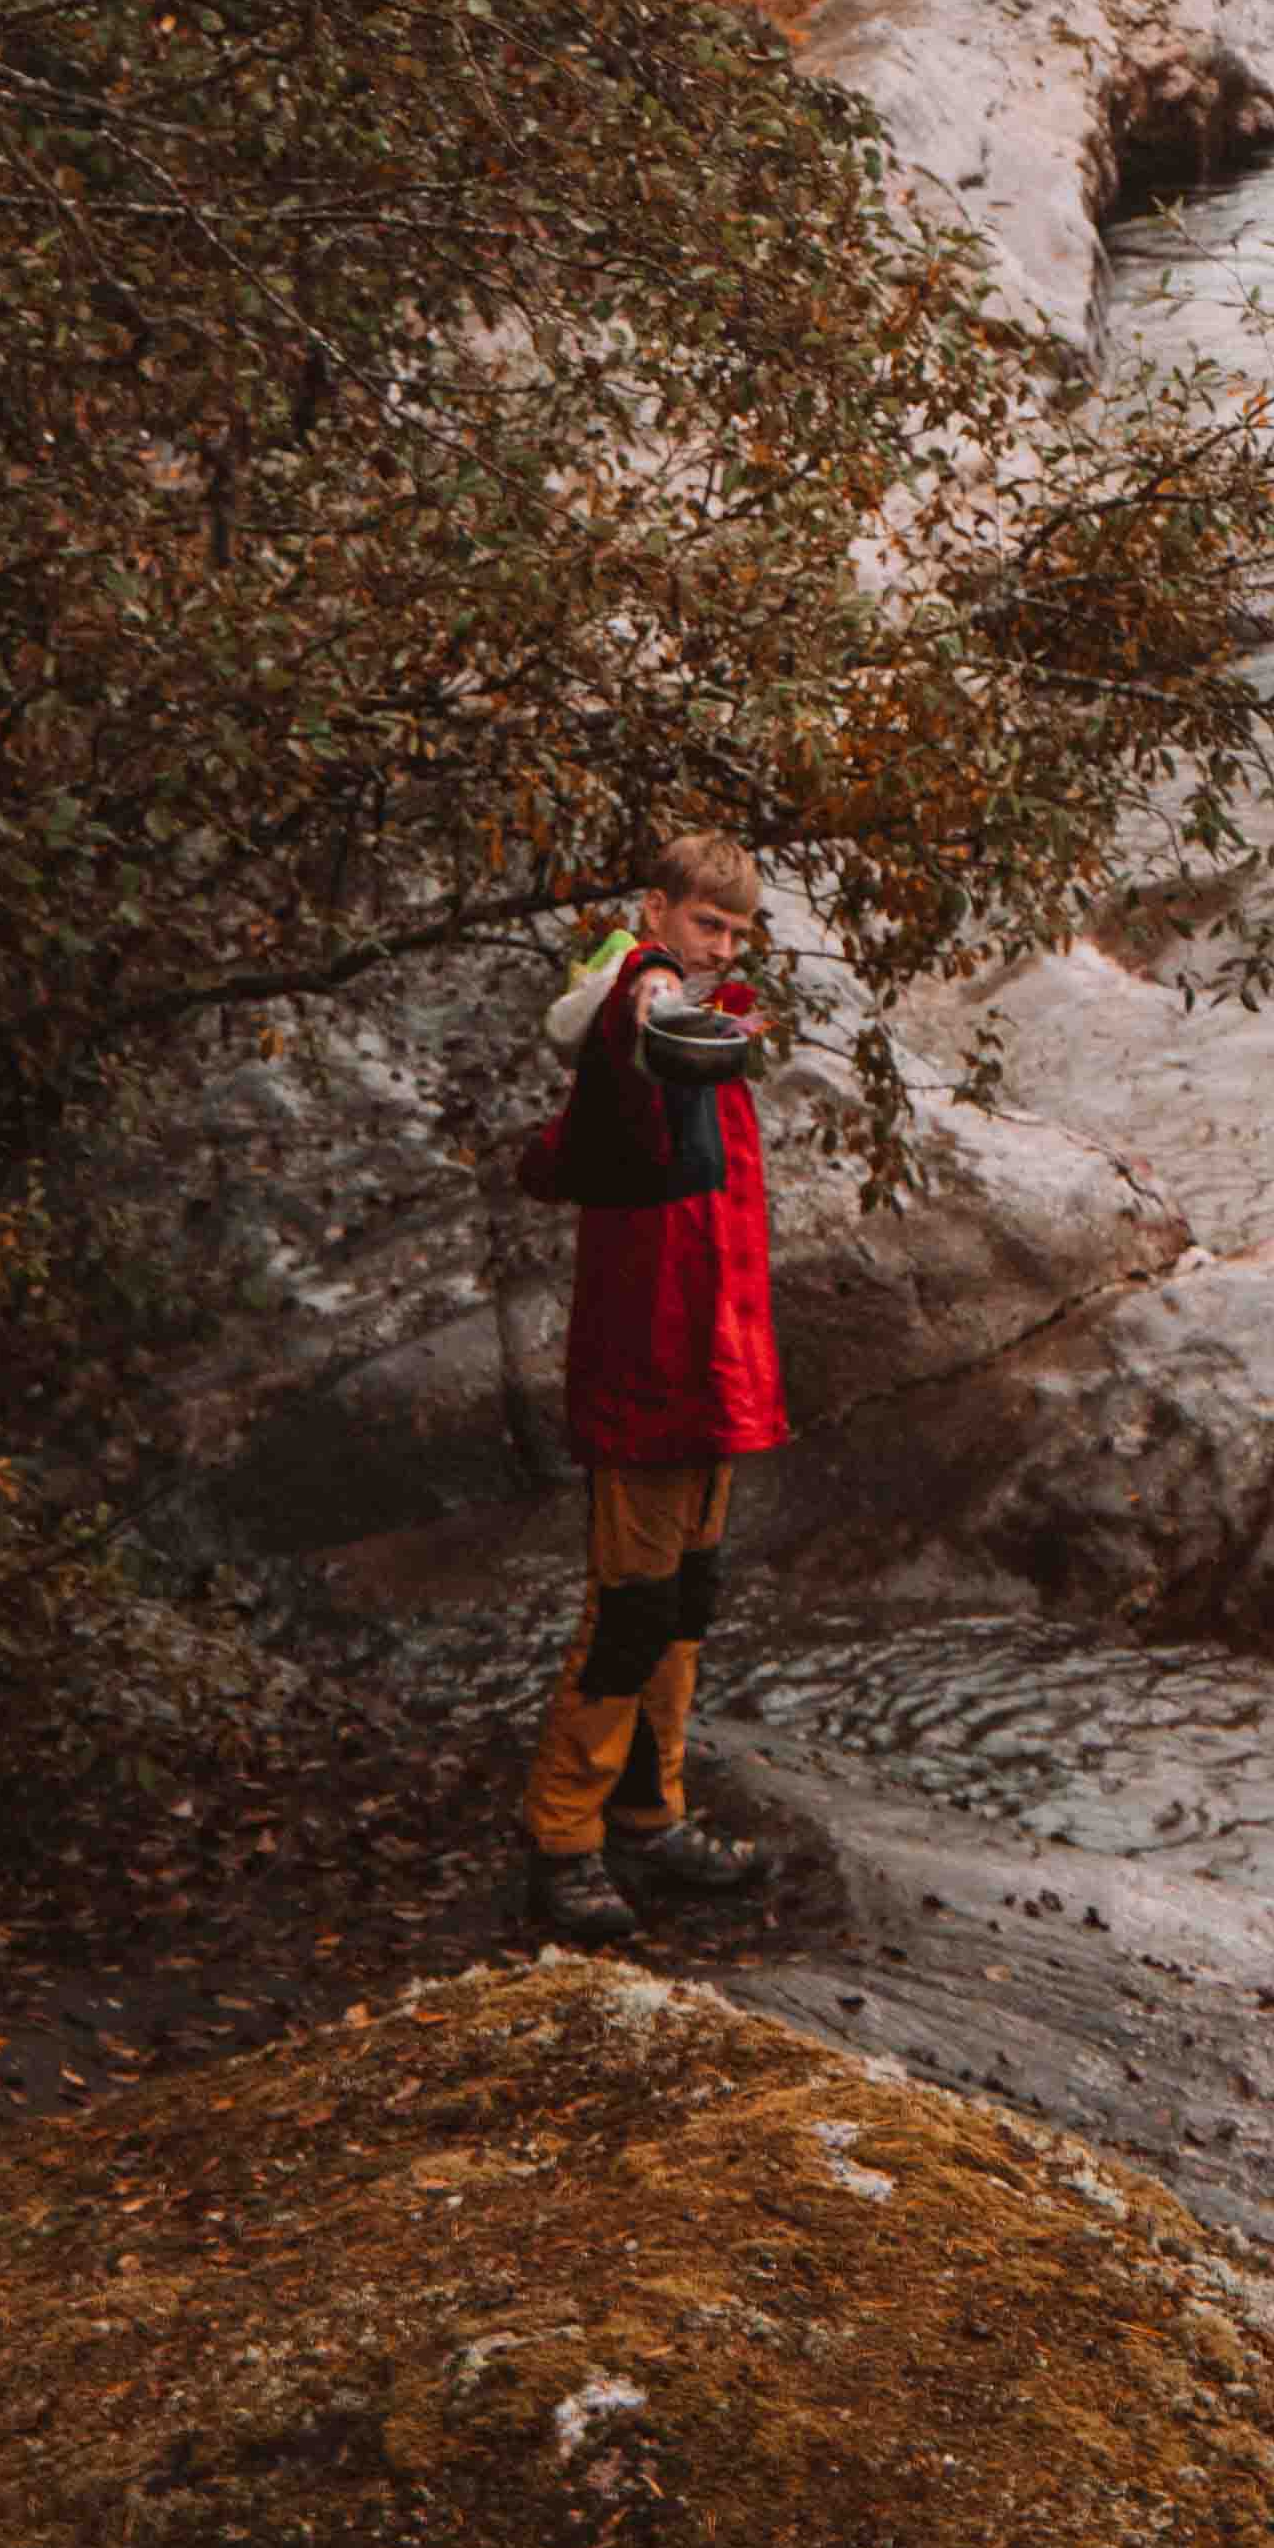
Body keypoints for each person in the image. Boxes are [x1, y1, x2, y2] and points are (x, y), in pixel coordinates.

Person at [515, 827, 789, 1941]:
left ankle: (648, 1814)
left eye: (735, 931)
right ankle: (560, 1840)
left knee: (684, 1602)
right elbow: (636, 991)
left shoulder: (711, 1032)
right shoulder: (649, 1003)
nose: (718, 948)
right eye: (703, 924)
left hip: (715, 1361)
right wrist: (660, 977)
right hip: (644, 1359)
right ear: (658, 910)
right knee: (628, 1611)